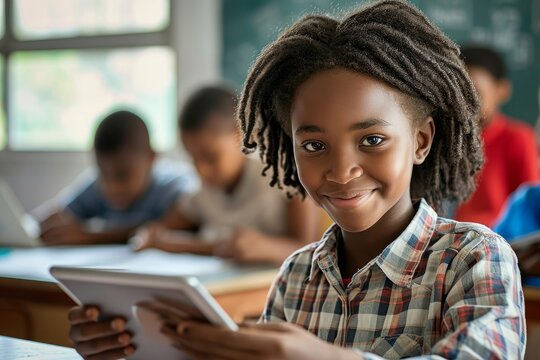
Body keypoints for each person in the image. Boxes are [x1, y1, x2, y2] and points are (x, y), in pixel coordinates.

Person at [66, 1, 526, 359]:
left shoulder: (475, 259)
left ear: (421, 141)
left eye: (371, 140)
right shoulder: (296, 276)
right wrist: (137, 350)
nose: (341, 171)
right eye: (313, 145)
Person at [131, 86, 320, 265]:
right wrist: (152, 236)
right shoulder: (202, 192)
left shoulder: (286, 175)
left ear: (241, 134)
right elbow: (161, 231)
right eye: (193, 159)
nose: (201, 170)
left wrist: (269, 247)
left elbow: (309, 247)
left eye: (210, 157)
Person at [39, 110, 197, 245]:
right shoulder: (97, 187)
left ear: (151, 158)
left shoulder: (173, 186)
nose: (112, 187)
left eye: (123, 175)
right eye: (102, 173)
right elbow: (58, 213)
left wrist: (90, 237)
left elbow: (176, 225)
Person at [454, 46, 539, 227]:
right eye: (459, 93)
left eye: (477, 94)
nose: (465, 103)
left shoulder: (518, 139)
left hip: (499, 243)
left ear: (502, 90)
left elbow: (531, 209)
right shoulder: (448, 138)